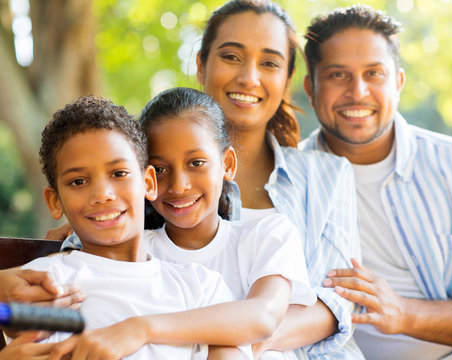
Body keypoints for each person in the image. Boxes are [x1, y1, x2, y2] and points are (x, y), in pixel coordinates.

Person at [300, 4, 452, 360]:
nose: (358, 91)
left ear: (398, 82)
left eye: (374, 73)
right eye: (338, 75)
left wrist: (402, 312)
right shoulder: (288, 182)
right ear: (311, 87)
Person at [51, 87, 317, 360]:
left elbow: (262, 317)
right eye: (162, 169)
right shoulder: (137, 256)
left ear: (227, 164)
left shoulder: (268, 234)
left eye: (196, 162)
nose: (179, 185)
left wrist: (141, 329)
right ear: (147, 179)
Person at [195, 1, 362, 359]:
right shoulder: (151, 174)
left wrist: (241, 342)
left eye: (269, 63)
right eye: (232, 57)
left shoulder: (327, 176)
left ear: (286, 80)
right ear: (200, 65)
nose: (249, 77)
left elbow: (335, 304)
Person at [22, 95, 244, 359]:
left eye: (118, 174)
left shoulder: (201, 286)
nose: (102, 194)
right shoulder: (46, 283)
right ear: (55, 200)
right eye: (79, 181)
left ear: (148, 182)